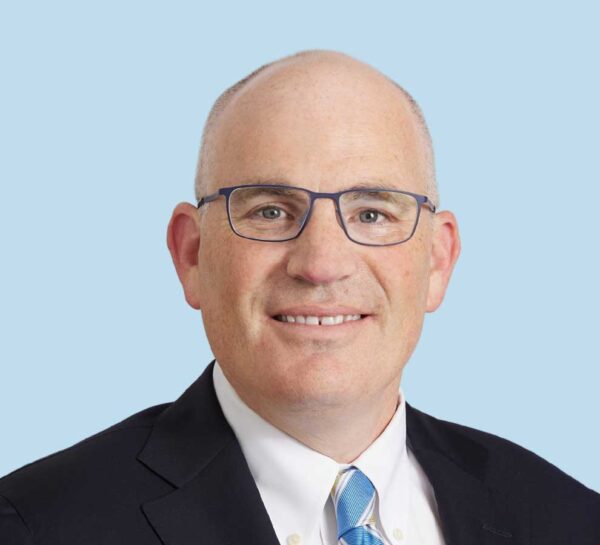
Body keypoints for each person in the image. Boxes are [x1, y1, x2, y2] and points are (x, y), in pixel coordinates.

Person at [1, 49, 598, 545]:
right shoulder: (35, 525)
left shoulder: (569, 520)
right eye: (268, 211)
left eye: (371, 212)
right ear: (192, 255)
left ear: (438, 260)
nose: (321, 265)